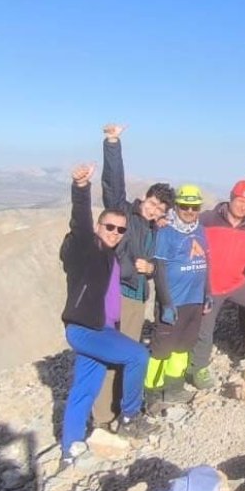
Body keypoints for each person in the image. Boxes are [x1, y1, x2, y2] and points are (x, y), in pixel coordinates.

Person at [59, 164, 158, 464]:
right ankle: (129, 417)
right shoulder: (86, 249)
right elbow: (80, 221)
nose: (115, 233)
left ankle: (70, 447)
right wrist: (81, 188)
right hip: (87, 329)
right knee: (138, 356)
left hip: (103, 329)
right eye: (109, 227)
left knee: (84, 388)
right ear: (98, 228)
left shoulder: (111, 256)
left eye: (120, 230)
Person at [95, 124, 175, 427]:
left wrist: (151, 269)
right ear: (145, 197)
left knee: (125, 356)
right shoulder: (124, 213)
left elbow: (152, 263)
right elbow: (113, 184)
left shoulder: (153, 228)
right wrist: (112, 142)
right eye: (153, 203)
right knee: (117, 355)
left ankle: (116, 410)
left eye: (160, 209)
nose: (154, 210)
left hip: (136, 298)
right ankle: (105, 417)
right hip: (119, 294)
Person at [190, 181, 245, 389]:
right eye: (240, 201)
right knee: (204, 328)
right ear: (231, 198)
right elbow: (185, 231)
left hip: (236, 283)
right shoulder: (208, 219)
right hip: (208, 286)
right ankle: (198, 369)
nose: (243, 206)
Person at [145, 184, 211, 402]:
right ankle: (152, 392)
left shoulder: (200, 230)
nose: (190, 211)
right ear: (177, 206)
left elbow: (205, 262)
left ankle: (174, 388)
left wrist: (207, 293)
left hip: (194, 301)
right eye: (185, 206)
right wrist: (165, 303)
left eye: (195, 207)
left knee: (183, 348)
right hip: (173, 300)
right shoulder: (166, 231)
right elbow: (160, 269)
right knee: (161, 350)